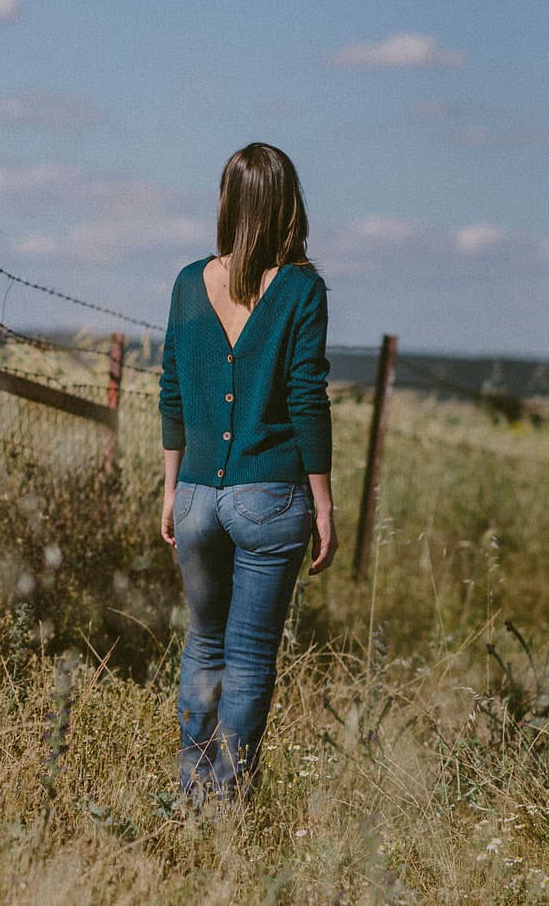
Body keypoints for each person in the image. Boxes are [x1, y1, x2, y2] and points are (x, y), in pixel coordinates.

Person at [158, 142, 338, 806]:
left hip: (198, 498)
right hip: (270, 496)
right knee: (251, 657)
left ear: (227, 203)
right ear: (288, 206)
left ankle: (190, 791)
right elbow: (305, 397)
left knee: (203, 646)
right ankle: (226, 807)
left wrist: (170, 488)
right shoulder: (300, 289)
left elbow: (171, 391)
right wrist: (323, 504)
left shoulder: (186, 282)